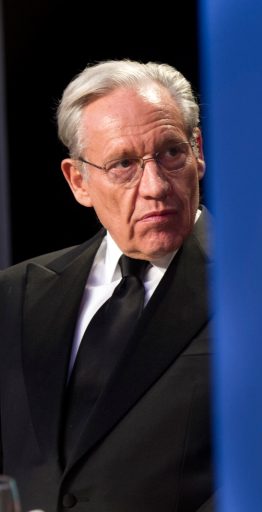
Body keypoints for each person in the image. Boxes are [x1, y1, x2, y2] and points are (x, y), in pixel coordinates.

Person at [0, 60, 214, 512]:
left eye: (171, 153)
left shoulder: (259, 289)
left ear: (198, 151)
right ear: (79, 181)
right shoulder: (14, 296)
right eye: (123, 164)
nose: (155, 185)